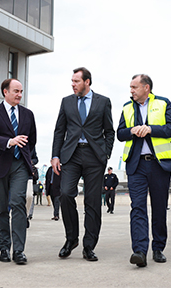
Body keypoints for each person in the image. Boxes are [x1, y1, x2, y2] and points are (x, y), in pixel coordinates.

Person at [51, 67, 115, 262]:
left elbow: (109, 131)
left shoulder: (103, 102)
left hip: (95, 157)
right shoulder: (66, 102)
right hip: (71, 155)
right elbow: (59, 130)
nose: (73, 84)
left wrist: (105, 154)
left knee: (93, 202)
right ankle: (71, 239)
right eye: (72, 81)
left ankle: (89, 246)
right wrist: (55, 155)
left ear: (87, 82)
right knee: (65, 193)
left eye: (76, 81)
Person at [117, 74, 171, 267]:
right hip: (136, 165)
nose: (131, 91)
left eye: (134, 87)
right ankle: (140, 251)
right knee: (138, 208)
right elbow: (120, 134)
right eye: (130, 87)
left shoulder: (163, 103)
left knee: (159, 208)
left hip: (159, 164)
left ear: (147, 88)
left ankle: (158, 248)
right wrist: (132, 131)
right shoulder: (127, 107)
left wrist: (150, 129)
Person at [0, 78, 37, 265]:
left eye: (21, 91)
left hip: (20, 165)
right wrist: (9, 141)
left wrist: (29, 158)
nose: (19, 95)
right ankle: (4, 248)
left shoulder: (28, 114)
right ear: (5, 92)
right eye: (16, 91)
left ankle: (19, 251)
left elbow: (32, 140)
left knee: (18, 203)